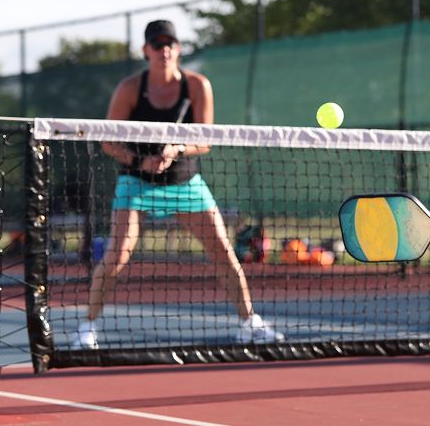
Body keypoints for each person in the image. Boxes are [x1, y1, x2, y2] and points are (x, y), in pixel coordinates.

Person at [73, 20, 283, 349]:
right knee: (117, 255)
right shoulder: (130, 89)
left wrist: (178, 149)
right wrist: (138, 161)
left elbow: (206, 141)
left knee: (224, 254)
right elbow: (107, 142)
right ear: (146, 51)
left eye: (170, 43)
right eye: (157, 44)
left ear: (179, 48)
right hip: (137, 182)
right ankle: (87, 328)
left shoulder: (197, 85)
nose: (164, 50)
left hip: (185, 182)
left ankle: (249, 323)